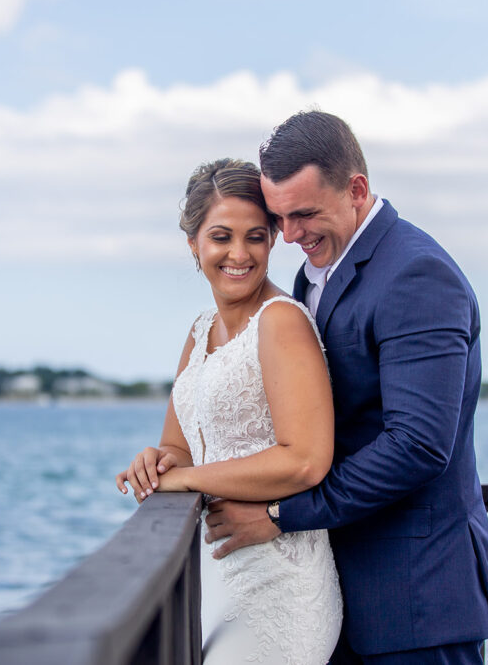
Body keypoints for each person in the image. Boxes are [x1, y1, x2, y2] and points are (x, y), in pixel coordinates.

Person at [198, 111, 488, 664]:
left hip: (416, 599)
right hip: (336, 592)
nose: (289, 235)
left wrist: (277, 515)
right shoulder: (314, 273)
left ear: (357, 189)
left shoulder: (416, 274)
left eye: (304, 214)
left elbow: (418, 444)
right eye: (280, 217)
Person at [116, 158, 343, 665]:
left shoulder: (282, 322)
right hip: (215, 572)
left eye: (256, 237)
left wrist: (186, 481)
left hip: (279, 583)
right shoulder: (199, 331)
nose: (239, 254)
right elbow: (180, 446)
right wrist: (155, 463)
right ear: (194, 244)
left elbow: (306, 459)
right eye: (221, 236)